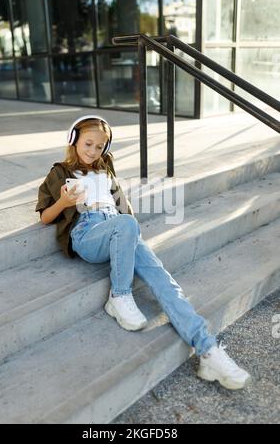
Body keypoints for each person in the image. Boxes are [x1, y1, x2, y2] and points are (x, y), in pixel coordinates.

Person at [35, 115, 251, 391]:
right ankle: (119, 295)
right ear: (73, 139)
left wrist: (130, 235)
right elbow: (45, 216)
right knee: (126, 224)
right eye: (88, 143)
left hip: (121, 228)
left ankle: (209, 351)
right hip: (88, 234)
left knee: (165, 281)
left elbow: (124, 210)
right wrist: (64, 201)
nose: (93, 151)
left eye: (100, 146)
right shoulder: (59, 172)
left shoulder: (105, 171)